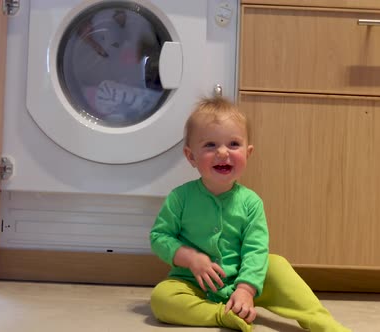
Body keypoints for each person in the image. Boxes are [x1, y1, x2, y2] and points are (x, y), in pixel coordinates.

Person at [149, 96, 350, 332]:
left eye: (233, 144)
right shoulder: (179, 198)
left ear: (248, 152)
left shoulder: (251, 202)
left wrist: (245, 288)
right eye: (210, 145)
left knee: (277, 265)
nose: (222, 152)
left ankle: (321, 321)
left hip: (244, 280)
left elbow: (255, 249)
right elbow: (159, 237)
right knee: (162, 298)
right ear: (191, 156)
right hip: (194, 284)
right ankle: (222, 315)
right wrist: (191, 258)